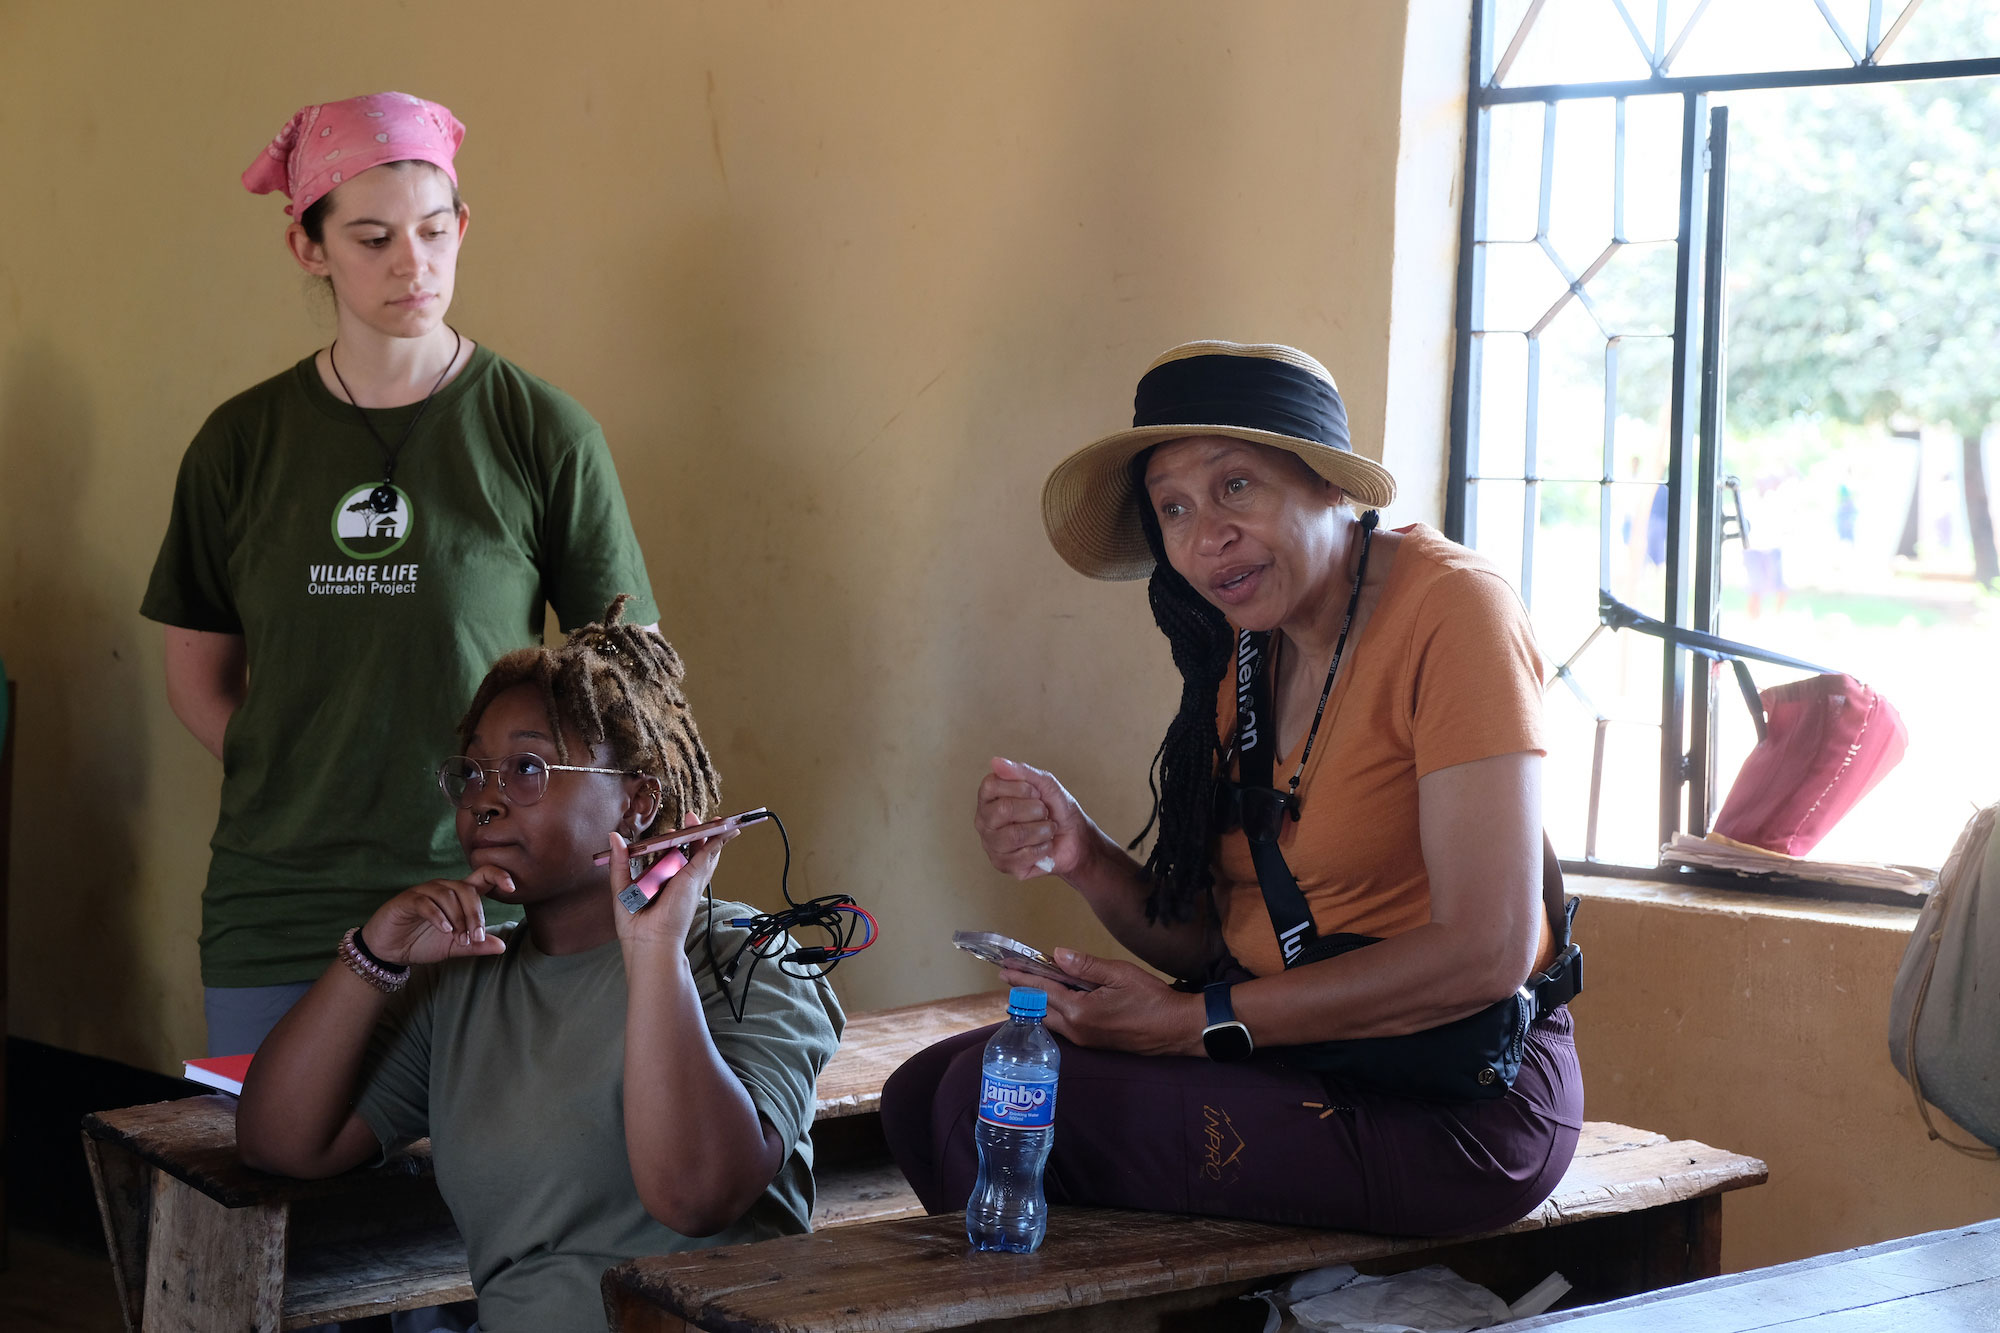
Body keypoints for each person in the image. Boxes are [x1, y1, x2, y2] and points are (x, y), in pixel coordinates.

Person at [882, 340, 1583, 1236]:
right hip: (1298, 1057)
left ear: (1329, 483)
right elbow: (1219, 937)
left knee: (982, 1108)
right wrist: (1082, 853)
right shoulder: (1247, 658)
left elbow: (1487, 950)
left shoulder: (1452, 610)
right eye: (1173, 507)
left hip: (1462, 1097)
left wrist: (1190, 1024)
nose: (1206, 533)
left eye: (1236, 486)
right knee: (919, 1093)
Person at [141, 92, 659, 1058]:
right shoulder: (239, 444)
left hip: (492, 895)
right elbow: (197, 682)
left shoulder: (542, 430)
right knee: (271, 1167)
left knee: (476, 1191)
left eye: (431, 231)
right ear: (311, 248)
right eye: (372, 238)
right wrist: (304, 771)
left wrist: (525, 807)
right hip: (279, 897)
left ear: (462, 228)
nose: (410, 264)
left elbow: (629, 683)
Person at [237, 599, 844, 1333]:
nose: (485, 798)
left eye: (526, 767)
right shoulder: (464, 980)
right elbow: (279, 1141)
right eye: (471, 773)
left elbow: (695, 1193)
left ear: (637, 800)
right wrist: (373, 956)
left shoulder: (747, 954)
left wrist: (652, 953)